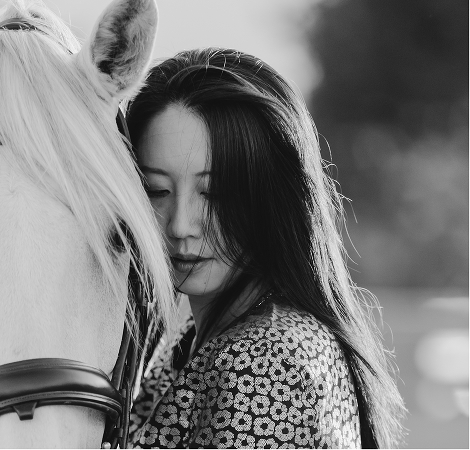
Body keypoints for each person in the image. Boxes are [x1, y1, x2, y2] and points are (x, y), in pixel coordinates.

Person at [125, 48, 405, 448]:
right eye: (157, 190)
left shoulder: (265, 364)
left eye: (216, 193)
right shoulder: (200, 341)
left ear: (274, 197)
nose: (181, 225)